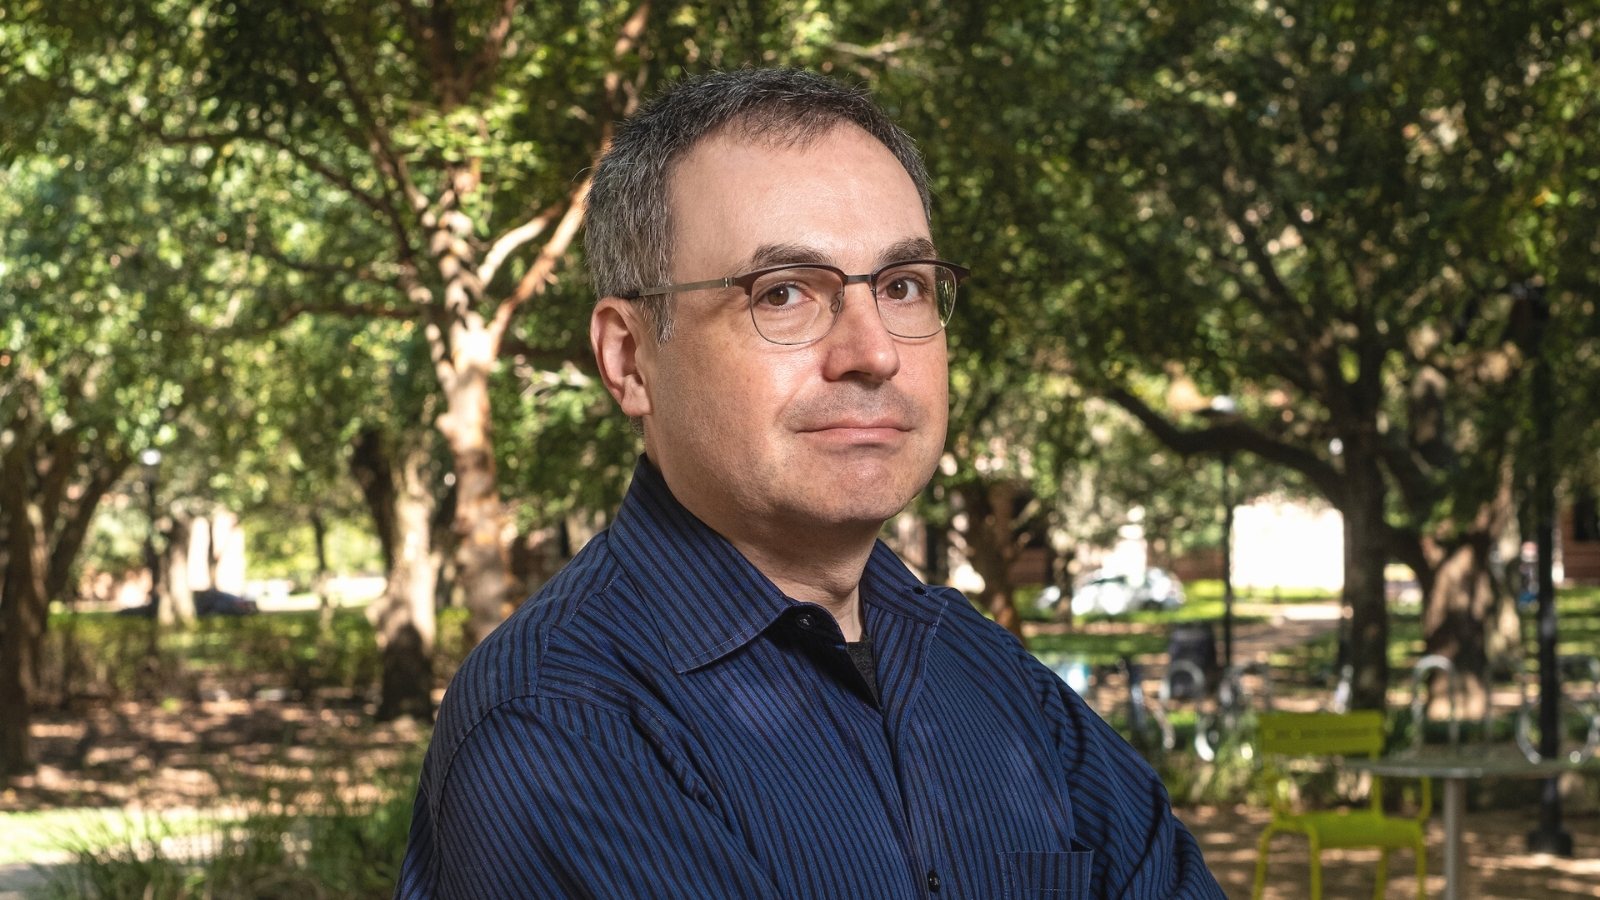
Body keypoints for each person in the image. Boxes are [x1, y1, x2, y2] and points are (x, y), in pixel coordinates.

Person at [397, 67, 1223, 899]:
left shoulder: (984, 670)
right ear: (629, 358)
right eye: (784, 293)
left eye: (902, 286)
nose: (874, 351)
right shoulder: (560, 722)